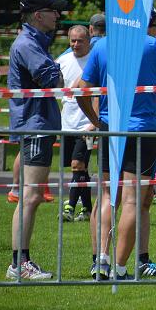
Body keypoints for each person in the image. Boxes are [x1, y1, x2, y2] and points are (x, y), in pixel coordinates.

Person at [77, 26, 156, 280]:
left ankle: (101, 262)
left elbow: (82, 89)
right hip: (141, 129)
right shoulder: (150, 44)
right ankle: (119, 268)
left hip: (110, 127)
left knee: (107, 196)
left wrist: (95, 120)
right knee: (132, 200)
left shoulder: (102, 45)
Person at [7, 0, 67, 280]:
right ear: (38, 15)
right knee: (30, 197)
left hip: (37, 123)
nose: (57, 15)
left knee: (30, 196)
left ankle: (21, 262)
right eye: (53, 10)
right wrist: (57, 71)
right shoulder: (28, 44)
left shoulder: (35, 42)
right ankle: (19, 264)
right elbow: (53, 80)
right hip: (35, 124)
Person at [56, 25, 95, 222]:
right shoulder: (62, 61)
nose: (76, 44)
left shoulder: (95, 61)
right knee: (81, 169)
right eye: (73, 40)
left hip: (86, 124)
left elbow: (99, 95)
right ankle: (87, 209)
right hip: (67, 123)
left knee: (76, 164)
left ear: (89, 41)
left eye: (80, 40)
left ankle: (69, 207)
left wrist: (94, 123)